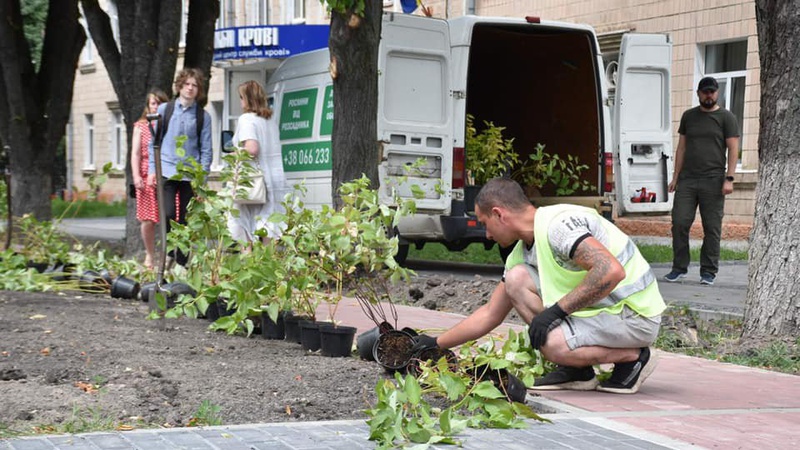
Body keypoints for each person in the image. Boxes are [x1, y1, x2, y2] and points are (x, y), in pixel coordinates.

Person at [412, 178, 666, 394]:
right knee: (516, 279)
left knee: (553, 344)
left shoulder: (558, 227)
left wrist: (555, 312)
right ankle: (578, 370)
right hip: (607, 314)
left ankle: (635, 356)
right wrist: (435, 343)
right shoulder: (521, 253)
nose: (487, 234)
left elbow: (610, 271)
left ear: (499, 214)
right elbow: (491, 313)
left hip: (635, 315)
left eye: (484, 223)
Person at [664, 77, 740, 286]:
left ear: (717, 93)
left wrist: (730, 178)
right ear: (698, 93)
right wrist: (675, 177)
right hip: (687, 180)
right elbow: (682, 148)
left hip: (714, 180)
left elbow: (733, 148)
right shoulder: (689, 116)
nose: (709, 95)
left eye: (712, 92)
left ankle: (708, 271)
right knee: (679, 222)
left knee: (712, 227)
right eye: (705, 92)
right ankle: (679, 268)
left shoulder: (727, 117)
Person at [147, 68, 212, 266]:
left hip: (189, 174)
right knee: (166, 214)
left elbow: (207, 150)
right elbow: (154, 143)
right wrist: (152, 170)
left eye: (195, 86)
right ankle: (168, 250)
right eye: (187, 84)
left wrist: (202, 182)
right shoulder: (164, 110)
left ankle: (181, 263)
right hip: (166, 169)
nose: (190, 88)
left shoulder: (203, 116)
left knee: (184, 217)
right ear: (180, 86)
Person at [227, 80, 287, 244]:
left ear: (247, 99)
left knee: (240, 222)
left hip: (253, 181)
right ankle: (267, 263)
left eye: (241, 98)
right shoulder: (270, 120)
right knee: (268, 224)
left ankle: (248, 261)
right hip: (273, 180)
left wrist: (236, 153)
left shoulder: (246, 119)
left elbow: (252, 149)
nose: (240, 102)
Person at [130, 90, 169, 269]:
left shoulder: (169, 125)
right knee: (147, 219)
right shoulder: (141, 126)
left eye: (160, 103)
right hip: (146, 176)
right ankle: (150, 255)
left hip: (167, 175)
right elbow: (136, 153)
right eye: (153, 103)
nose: (156, 106)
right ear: (148, 106)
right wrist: (137, 176)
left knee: (169, 217)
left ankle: (166, 255)